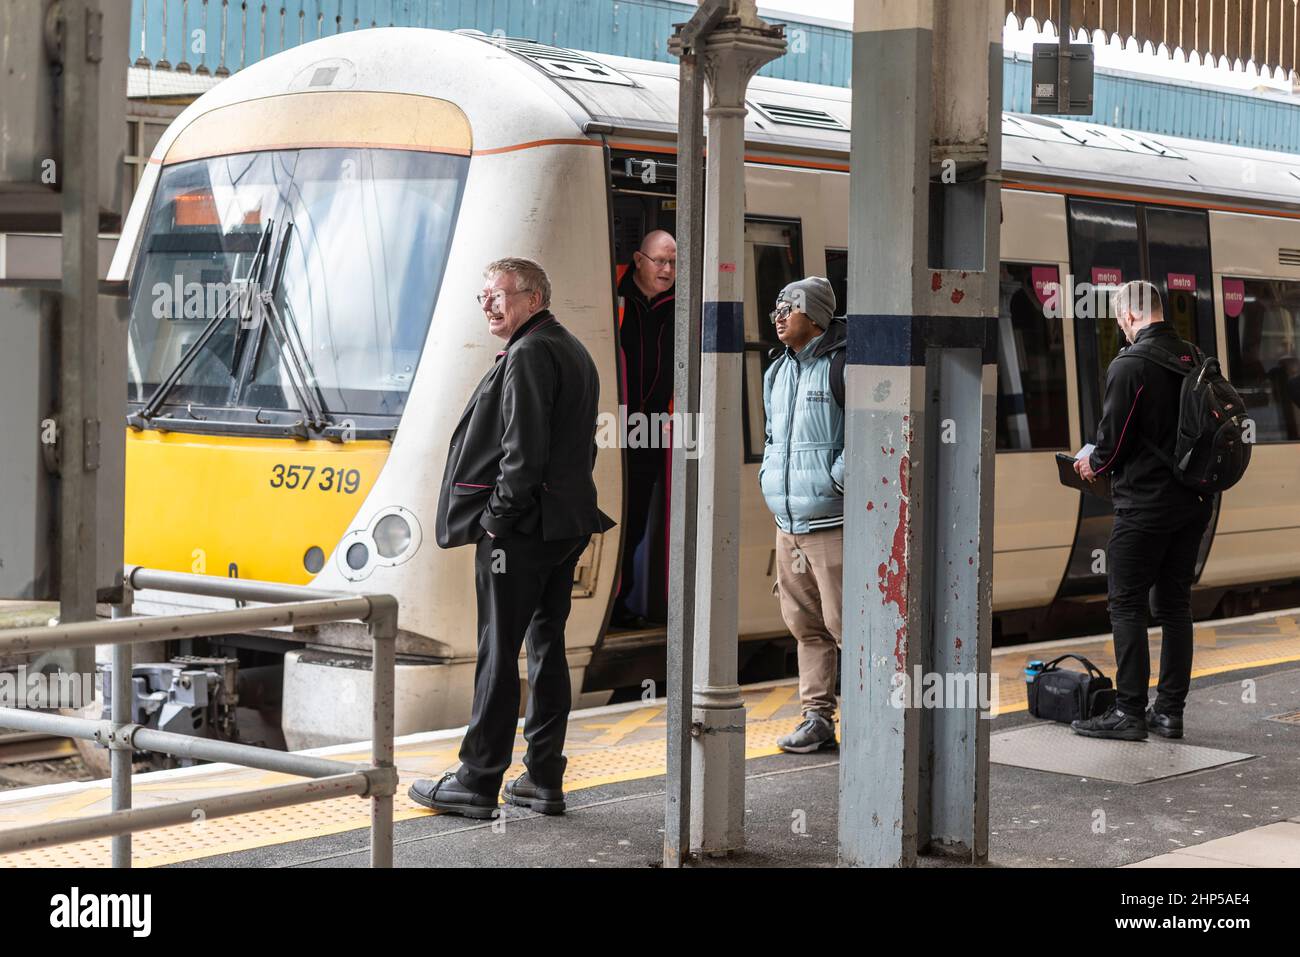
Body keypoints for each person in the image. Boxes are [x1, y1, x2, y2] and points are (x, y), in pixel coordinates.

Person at [412, 258, 614, 818]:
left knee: (498, 652)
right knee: (547, 650)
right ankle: (543, 777)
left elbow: (521, 457)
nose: (488, 305)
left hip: (522, 530)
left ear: (532, 297)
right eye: (483, 297)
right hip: (566, 524)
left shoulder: (527, 353)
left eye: (498, 295)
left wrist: (496, 520)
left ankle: (477, 781)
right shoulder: (570, 347)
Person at [1072, 279, 1214, 741]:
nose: (1120, 327)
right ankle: (1169, 712)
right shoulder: (1192, 355)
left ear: (1131, 315)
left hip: (1145, 507)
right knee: (1174, 605)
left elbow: (1112, 445)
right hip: (1192, 501)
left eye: (1119, 319)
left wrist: (1089, 462)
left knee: (1127, 603)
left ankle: (1129, 712)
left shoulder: (1130, 365)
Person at [759, 277, 847, 754]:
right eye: (777, 306)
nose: (778, 316)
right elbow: (775, 438)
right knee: (804, 626)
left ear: (815, 317)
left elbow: (870, 433)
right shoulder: (778, 371)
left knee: (846, 626)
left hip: (831, 522)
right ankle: (816, 718)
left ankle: (873, 718)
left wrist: (836, 481)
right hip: (787, 523)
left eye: (788, 307)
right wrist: (771, 483)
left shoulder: (841, 364)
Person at [611, 229, 677, 629]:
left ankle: (622, 602)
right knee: (611, 514)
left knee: (635, 517)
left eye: (673, 263)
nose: (668, 270)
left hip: (653, 428)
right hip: (607, 427)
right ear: (638, 260)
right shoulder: (612, 296)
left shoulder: (681, 304)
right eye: (660, 261)